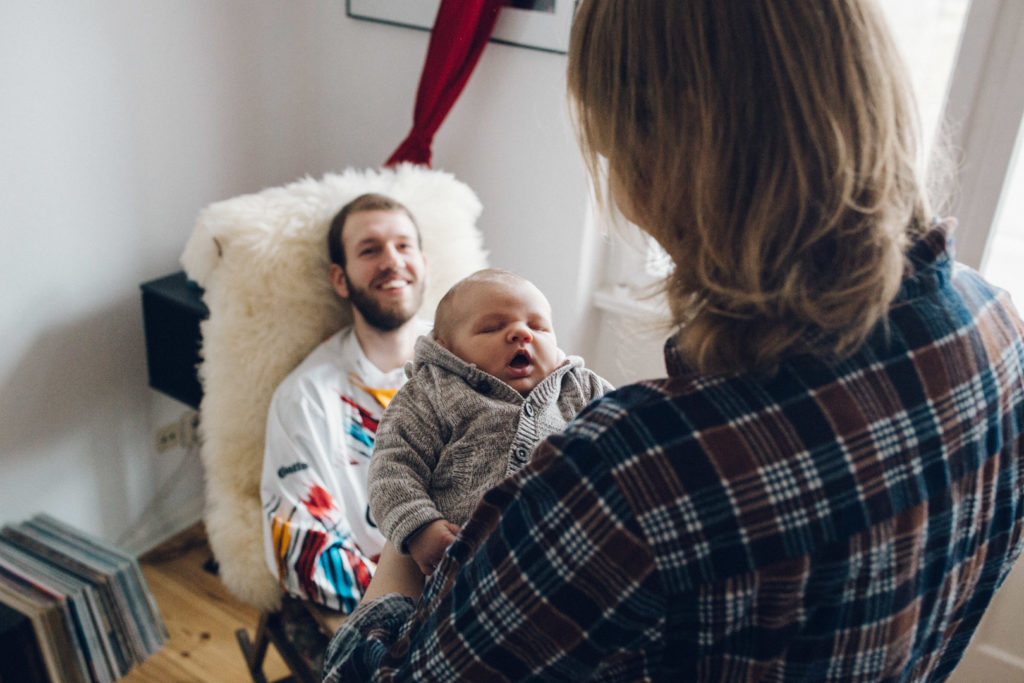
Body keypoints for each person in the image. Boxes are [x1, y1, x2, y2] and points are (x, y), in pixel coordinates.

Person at [322, 2, 1024, 681]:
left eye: (605, 133)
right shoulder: (998, 330)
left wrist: (394, 575)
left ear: (659, 155)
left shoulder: (630, 473)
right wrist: (418, 519)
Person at [368, 269, 614, 578]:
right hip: (465, 569)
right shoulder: (431, 393)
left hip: (572, 563)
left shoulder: (582, 389)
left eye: (538, 326)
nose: (522, 334)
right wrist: (419, 527)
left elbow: (629, 440)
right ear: (448, 350)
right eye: (492, 328)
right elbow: (391, 468)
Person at [261, 192, 428, 618]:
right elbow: (301, 547)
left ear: (423, 262)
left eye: (404, 245)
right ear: (340, 279)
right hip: (400, 621)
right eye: (370, 250)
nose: (392, 260)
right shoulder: (307, 397)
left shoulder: (476, 358)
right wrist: (425, 611)